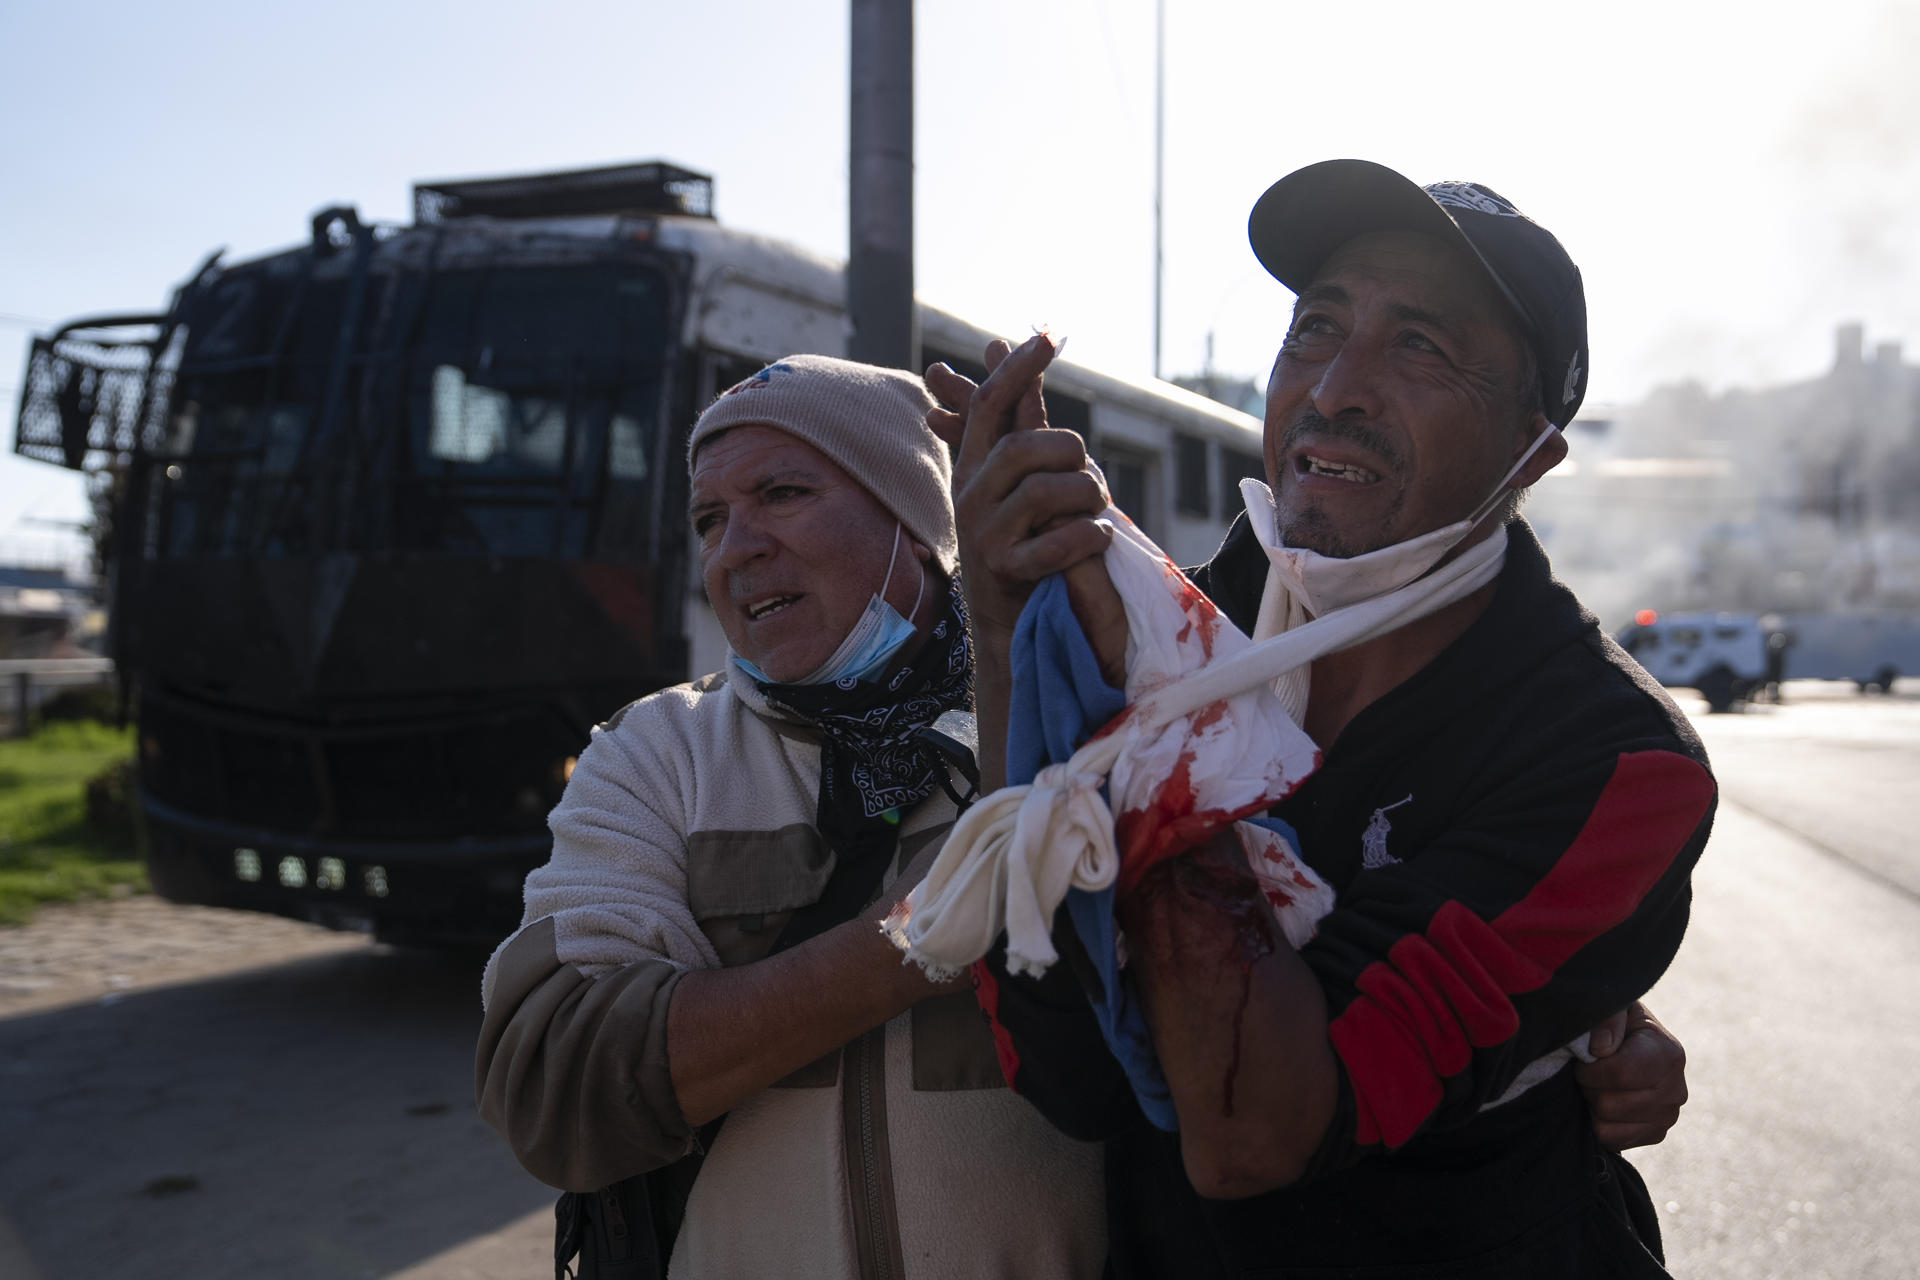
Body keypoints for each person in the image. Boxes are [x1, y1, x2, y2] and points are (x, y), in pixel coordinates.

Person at [933, 159, 1713, 1277]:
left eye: (1420, 346)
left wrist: (1156, 722)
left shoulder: (1613, 757)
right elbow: (1069, 1075)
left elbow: (1257, 1130)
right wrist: (1005, 627)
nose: (1334, 387)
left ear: (1532, 450)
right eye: (1315, 327)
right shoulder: (1183, 623)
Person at [474, 355, 1108, 1279]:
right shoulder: (657, 757)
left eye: (781, 492)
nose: (736, 549)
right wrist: (919, 936)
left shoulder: (1076, 721)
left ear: (916, 523)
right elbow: (555, 1083)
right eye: (709, 519)